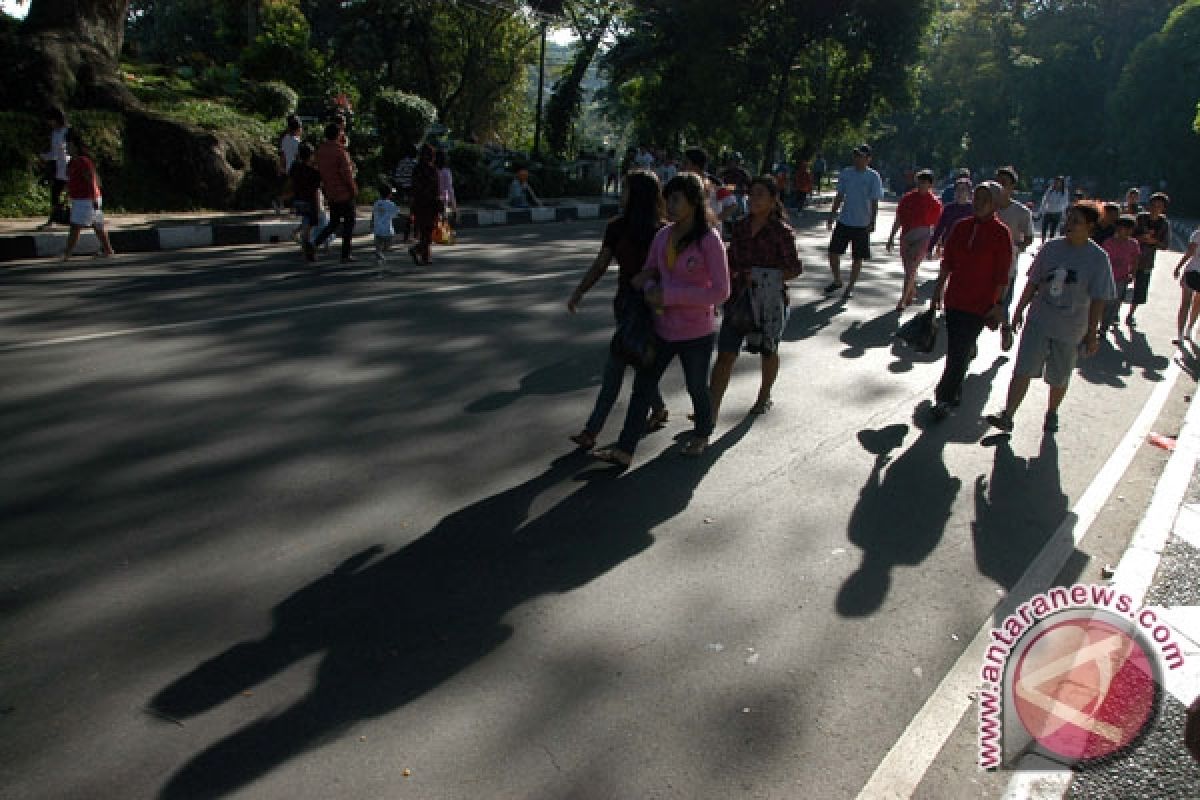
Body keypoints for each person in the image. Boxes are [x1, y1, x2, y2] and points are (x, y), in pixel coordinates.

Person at [592, 172, 730, 467]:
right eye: (667, 198)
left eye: (676, 199)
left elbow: (721, 291)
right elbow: (650, 270)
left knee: (696, 387)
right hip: (662, 329)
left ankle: (703, 432)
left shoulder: (709, 240)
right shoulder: (664, 235)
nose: (669, 204)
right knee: (642, 388)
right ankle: (624, 450)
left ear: (693, 202)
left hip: (696, 333)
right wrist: (648, 282)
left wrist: (669, 294)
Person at [986, 203, 1116, 434]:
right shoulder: (1051, 248)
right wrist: (1018, 311)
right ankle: (1007, 414)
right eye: (1069, 219)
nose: (1069, 225)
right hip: (1040, 319)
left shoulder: (1098, 258)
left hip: (1071, 327)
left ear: (1090, 227)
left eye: (1076, 221)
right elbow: (1033, 282)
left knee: (1059, 375)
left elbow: (1098, 299)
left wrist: (1092, 333)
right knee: (1023, 367)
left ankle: (1052, 411)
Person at [567, 170, 669, 449]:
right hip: (627, 306)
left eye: (625, 190)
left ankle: (592, 431)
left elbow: (671, 272)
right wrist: (579, 291)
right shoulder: (623, 227)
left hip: (649, 307)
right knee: (637, 356)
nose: (621, 195)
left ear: (635, 195)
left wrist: (579, 292)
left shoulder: (663, 232)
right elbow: (602, 264)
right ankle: (658, 409)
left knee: (617, 367)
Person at [708, 175, 803, 422]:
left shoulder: (782, 232)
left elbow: (794, 269)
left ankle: (764, 395)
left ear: (773, 200)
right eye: (751, 193)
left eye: (760, 194)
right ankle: (709, 411)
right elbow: (728, 262)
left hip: (769, 304)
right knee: (726, 354)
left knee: (768, 351)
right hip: (738, 299)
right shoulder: (739, 227)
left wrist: (761, 275)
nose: (753, 198)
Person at [929, 181, 1012, 419]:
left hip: (979, 304)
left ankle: (944, 397)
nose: (979, 204)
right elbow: (948, 263)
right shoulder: (961, 226)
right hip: (955, 299)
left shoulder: (1000, 233)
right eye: (977, 198)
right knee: (956, 349)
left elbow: (1002, 275)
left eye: (986, 200)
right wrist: (937, 291)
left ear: (995, 204)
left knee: (959, 350)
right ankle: (953, 390)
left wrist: (998, 306)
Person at [825, 144, 883, 300]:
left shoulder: (873, 176)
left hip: (862, 223)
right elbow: (839, 196)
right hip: (844, 220)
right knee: (832, 253)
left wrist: (873, 222)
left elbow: (874, 201)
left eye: (861, 156)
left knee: (857, 257)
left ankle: (850, 287)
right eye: (856, 156)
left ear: (868, 159)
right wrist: (831, 215)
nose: (858, 159)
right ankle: (837, 280)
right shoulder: (846, 173)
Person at [886, 169, 943, 310]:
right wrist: (891, 237)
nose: (922, 185)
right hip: (906, 237)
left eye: (925, 182)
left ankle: (902, 300)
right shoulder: (907, 198)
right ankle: (911, 289)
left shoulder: (934, 203)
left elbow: (937, 226)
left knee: (911, 269)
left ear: (930, 184)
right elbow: (899, 219)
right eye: (919, 181)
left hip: (922, 237)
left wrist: (938, 244)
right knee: (908, 269)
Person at [994, 166, 1034, 351]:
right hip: (983, 265)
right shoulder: (986, 206)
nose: (1001, 185)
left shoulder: (1021, 212)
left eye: (1005, 183)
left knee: (1002, 303)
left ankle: (1006, 328)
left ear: (1012, 187)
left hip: (1007, 268)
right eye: (998, 181)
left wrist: (1017, 247)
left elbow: (1029, 237)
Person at [60, 130, 115, 261]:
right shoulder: (72, 163)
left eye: (68, 145)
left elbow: (91, 180)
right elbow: (71, 181)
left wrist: (94, 199)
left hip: (87, 199)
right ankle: (108, 250)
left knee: (75, 226)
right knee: (97, 225)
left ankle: (67, 253)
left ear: (74, 146)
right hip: (80, 198)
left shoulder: (83, 161)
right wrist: (67, 196)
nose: (66, 148)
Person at [312, 122, 358, 263]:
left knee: (334, 222)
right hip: (344, 192)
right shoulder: (340, 152)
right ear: (338, 135)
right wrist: (353, 189)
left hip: (330, 191)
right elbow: (346, 173)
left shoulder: (320, 151)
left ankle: (314, 244)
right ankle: (345, 254)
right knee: (349, 223)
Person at [1126, 192, 1170, 327]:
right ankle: (1114, 312)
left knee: (1140, 289)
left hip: (1147, 260)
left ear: (1163, 208)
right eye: (1153, 205)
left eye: (1159, 206)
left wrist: (1153, 241)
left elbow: (1165, 245)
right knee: (1121, 285)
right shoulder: (1140, 218)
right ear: (1149, 205)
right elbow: (1128, 235)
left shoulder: (1164, 223)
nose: (1155, 208)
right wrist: (1140, 238)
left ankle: (1130, 314)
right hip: (1130, 258)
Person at [1101, 215, 1140, 335]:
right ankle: (1097, 321)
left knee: (1115, 303)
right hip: (1106, 277)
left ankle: (1104, 327)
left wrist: (1133, 274)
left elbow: (1135, 259)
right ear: (1118, 229)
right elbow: (1101, 260)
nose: (1127, 232)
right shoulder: (1108, 243)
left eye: (1130, 229)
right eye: (1124, 228)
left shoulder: (1133, 244)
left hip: (1122, 278)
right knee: (1102, 302)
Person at [408, 143, 441, 266]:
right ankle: (417, 250)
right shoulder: (433, 170)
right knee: (429, 231)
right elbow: (436, 190)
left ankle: (425, 257)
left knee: (424, 231)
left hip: (418, 204)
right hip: (430, 205)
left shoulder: (416, 169)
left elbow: (413, 188)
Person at [288, 142, 321, 262]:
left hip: (298, 199)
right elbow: (316, 191)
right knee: (308, 226)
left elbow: (291, 182)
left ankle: (304, 245)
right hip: (310, 201)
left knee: (305, 222)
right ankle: (307, 248)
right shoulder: (314, 173)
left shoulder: (295, 167)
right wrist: (317, 206)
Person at [38, 106, 70, 230]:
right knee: (55, 194)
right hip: (60, 168)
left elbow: (70, 150)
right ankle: (53, 219)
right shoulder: (55, 133)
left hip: (69, 166)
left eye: (50, 120)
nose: (49, 123)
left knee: (74, 194)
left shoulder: (67, 132)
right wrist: (43, 156)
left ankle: (84, 218)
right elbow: (54, 153)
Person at [929, 177, 974, 258]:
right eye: (957, 190)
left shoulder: (974, 209)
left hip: (967, 246)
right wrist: (930, 247)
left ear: (969, 193)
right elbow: (939, 228)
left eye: (963, 190)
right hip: (949, 245)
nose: (960, 192)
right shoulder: (948, 208)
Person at [1171, 224, 1200, 344]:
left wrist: (1178, 267)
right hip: (1192, 271)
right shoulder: (1197, 234)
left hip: (1192, 271)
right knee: (1192, 303)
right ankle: (1184, 332)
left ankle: (1184, 333)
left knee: (1188, 304)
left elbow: (1189, 252)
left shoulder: (1197, 234)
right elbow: (1190, 252)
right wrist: (1178, 266)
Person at [275, 115, 302, 215]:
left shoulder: (285, 139)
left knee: (293, 188)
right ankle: (280, 200)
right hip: (296, 168)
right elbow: (299, 156)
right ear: (298, 129)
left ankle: (291, 206)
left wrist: (281, 167)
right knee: (296, 189)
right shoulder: (297, 142)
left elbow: (282, 155)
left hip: (287, 167)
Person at [371, 184, 402, 266]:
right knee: (387, 246)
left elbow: (373, 214)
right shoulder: (391, 204)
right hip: (388, 230)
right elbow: (397, 213)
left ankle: (379, 255)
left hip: (377, 229)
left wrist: (372, 224)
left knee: (378, 246)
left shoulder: (376, 203)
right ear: (390, 194)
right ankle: (382, 253)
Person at [392, 145, 417, 242]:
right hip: (412, 190)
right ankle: (413, 235)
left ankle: (407, 236)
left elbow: (397, 177)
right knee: (413, 213)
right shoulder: (414, 163)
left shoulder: (401, 162)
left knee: (407, 214)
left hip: (403, 191)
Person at [1038, 176, 1069, 243]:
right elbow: (1044, 200)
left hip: (1057, 213)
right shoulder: (1050, 190)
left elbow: (1065, 202)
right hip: (1048, 211)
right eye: (1056, 181)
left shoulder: (1064, 191)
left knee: (1053, 230)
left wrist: (1063, 213)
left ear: (1062, 183)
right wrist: (1041, 211)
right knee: (1044, 228)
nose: (1058, 183)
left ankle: (1050, 243)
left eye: (1059, 182)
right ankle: (1042, 242)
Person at [435, 149, 457, 220]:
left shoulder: (432, 171)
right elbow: (450, 190)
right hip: (444, 200)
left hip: (433, 199)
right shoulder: (446, 172)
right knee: (444, 220)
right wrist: (454, 208)